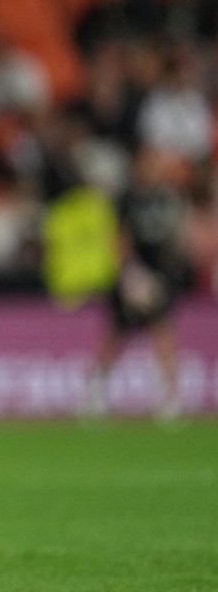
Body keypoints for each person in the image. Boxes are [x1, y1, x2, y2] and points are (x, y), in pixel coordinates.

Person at [84, 146, 189, 419]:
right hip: (132, 276)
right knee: (117, 335)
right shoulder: (127, 198)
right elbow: (118, 238)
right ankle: (96, 392)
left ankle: (168, 398)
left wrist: (167, 272)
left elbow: (174, 237)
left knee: (163, 332)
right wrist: (132, 274)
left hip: (159, 276)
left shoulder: (166, 199)